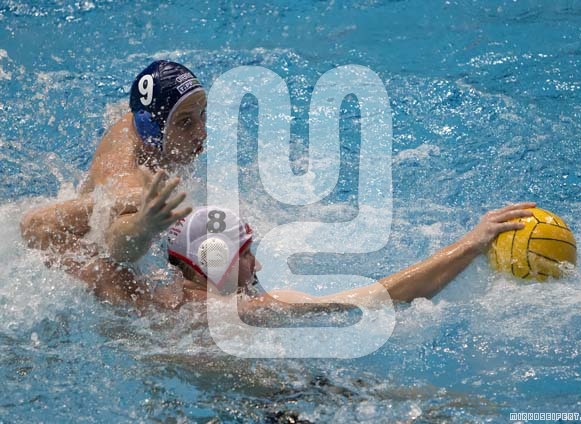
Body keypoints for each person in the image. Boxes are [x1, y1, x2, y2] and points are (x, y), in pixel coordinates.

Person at [66, 172, 536, 312]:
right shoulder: (250, 311)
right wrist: (470, 244)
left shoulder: (143, 302)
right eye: (246, 255)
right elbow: (379, 297)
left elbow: (58, 245)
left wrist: (139, 225)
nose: (257, 268)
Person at [20, 60, 204, 263]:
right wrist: (143, 225)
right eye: (185, 122)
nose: (202, 133)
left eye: (202, 113)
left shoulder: (150, 125)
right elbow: (118, 249)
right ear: (151, 130)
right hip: (72, 240)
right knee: (121, 278)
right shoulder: (126, 179)